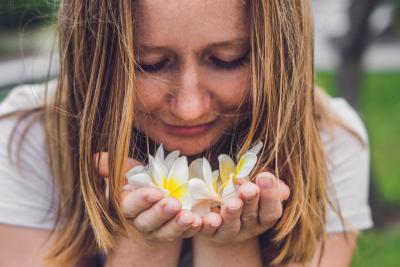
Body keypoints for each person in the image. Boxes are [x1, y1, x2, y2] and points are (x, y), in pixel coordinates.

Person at [0, 1, 373, 266]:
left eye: (228, 59)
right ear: (95, 56)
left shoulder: (332, 141)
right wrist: (144, 247)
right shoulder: (26, 138)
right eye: (149, 64)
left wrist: (230, 245)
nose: (190, 107)